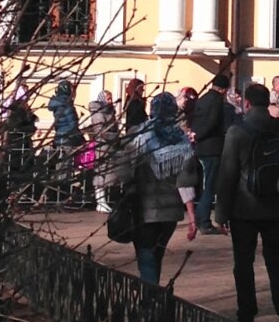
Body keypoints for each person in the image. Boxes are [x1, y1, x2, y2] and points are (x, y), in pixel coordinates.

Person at [214, 82, 279, 322]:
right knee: (277, 262)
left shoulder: (237, 132)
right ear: (268, 103)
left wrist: (220, 214)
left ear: (246, 103)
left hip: (244, 210)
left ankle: (246, 316)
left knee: (243, 263)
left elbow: (228, 175)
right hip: (278, 208)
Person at [106, 91, 198, 286]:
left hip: (144, 207)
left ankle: (150, 297)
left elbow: (123, 173)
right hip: (170, 212)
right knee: (157, 254)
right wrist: (192, 216)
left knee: (146, 256)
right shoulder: (181, 139)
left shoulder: (139, 135)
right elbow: (185, 182)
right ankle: (153, 294)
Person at [190, 71, 232, 233]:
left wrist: (195, 136)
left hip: (200, 148)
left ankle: (200, 219)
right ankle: (204, 222)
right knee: (209, 186)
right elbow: (213, 122)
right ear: (223, 89)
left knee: (203, 185)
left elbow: (196, 120)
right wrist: (200, 135)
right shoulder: (217, 101)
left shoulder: (203, 99)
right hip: (212, 147)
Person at [87, 76, 120, 213]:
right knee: (101, 172)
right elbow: (100, 131)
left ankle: (103, 200)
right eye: (108, 98)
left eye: (111, 98)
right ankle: (100, 201)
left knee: (108, 174)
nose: (110, 101)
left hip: (109, 146)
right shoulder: (99, 113)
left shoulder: (110, 112)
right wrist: (114, 136)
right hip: (102, 146)